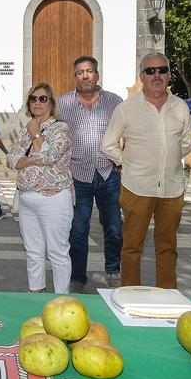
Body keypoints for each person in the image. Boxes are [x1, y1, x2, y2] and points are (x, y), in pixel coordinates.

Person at [102, 53, 191, 289]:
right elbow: (108, 144)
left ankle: (168, 295)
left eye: (162, 70)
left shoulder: (180, 107)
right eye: (150, 71)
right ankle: (130, 293)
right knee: (132, 247)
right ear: (142, 76)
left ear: (169, 75)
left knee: (168, 247)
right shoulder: (126, 109)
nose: (157, 76)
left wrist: (170, 159)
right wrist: (125, 162)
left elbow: (185, 143)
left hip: (172, 188)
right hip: (136, 188)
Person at [57, 56, 125, 292]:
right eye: (79, 72)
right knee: (77, 229)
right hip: (78, 175)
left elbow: (127, 132)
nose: (85, 75)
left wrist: (123, 158)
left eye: (89, 71)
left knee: (114, 227)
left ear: (97, 74)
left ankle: (113, 270)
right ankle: (77, 276)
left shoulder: (115, 101)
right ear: (74, 77)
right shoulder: (62, 103)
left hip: (109, 174)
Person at [7, 82, 74, 293]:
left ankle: (61, 300)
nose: (37, 102)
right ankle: (35, 294)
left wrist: (36, 136)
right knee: (33, 252)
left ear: (51, 103)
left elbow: (49, 157)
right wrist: (28, 159)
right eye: (33, 98)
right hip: (28, 199)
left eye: (43, 98)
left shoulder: (60, 128)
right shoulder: (26, 129)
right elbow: (11, 159)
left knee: (57, 252)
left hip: (53, 198)